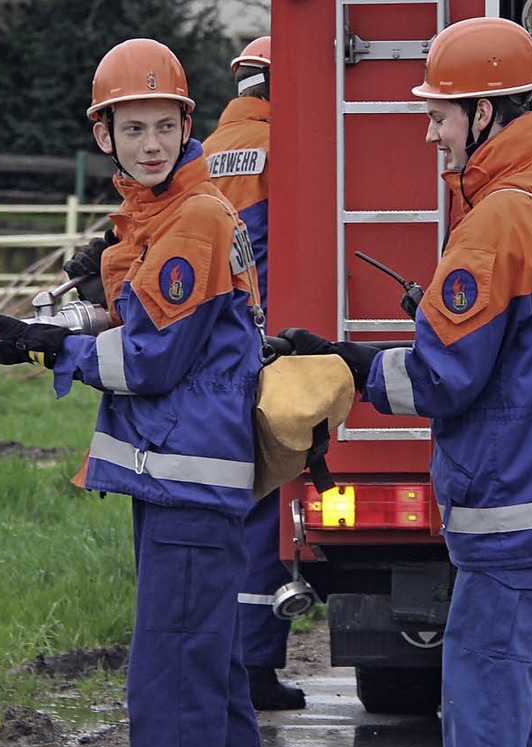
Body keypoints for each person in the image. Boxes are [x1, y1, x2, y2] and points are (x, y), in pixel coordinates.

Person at [280, 17, 532, 747]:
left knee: (483, 715)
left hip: (511, 507)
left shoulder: (494, 220)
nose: (429, 131)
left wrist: (352, 363)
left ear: (489, 109)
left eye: (441, 115)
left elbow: (441, 377)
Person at [0, 37, 282, 747]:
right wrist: (68, 308)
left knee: (170, 693)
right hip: (181, 484)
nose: (150, 142)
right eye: (132, 127)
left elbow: (147, 357)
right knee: (211, 678)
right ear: (105, 137)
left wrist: (49, 347)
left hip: (188, 485)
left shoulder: (191, 217)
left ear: (190, 124)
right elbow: (135, 296)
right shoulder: (166, 209)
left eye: (163, 125)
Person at [202, 36, 306, 712]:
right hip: (268, 346)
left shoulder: (204, 152)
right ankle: (256, 666)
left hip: (212, 347)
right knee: (267, 506)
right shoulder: (288, 145)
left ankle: (225, 659)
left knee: (227, 506)